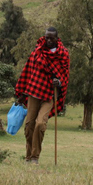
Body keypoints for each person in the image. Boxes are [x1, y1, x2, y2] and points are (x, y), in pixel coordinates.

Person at [15, 27, 70, 165]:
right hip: (34, 92)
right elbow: (28, 71)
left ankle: (35, 157)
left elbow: (64, 76)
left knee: (40, 124)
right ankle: (28, 157)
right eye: (47, 37)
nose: (49, 40)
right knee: (29, 126)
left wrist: (59, 82)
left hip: (50, 95)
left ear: (57, 39)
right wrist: (22, 93)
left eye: (52, 38)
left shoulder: (63, 55)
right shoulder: (37, 51)